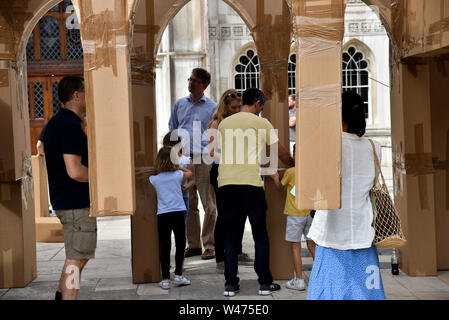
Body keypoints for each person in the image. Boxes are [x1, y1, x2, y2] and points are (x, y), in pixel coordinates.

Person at [306, 90, 386, 300]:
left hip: (331, 229)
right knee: (365, 293)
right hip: (363, 230)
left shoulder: (327, 146)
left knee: (330, 291)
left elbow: (314, 183)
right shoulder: (374, 147)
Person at [217, 88, 293, 297]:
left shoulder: (225, 124)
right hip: (251, 183)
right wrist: (293, 165)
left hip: (226, 184)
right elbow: (280, 152)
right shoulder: (262, 123)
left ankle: (230, 284)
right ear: (258, 104)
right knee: (260, 234)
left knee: (231, 235)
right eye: (262, 106)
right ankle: (264, 284)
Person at [39, 76, 95, 300]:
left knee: (76, 256)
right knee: (76, 259)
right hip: (75, 204)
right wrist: (103, 180)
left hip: (66, 201)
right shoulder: (70, 126)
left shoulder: (55, 122)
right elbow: (75, 170)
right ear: (76, 95)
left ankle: (61, 296)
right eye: (86, 91)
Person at [169, 68, 218, 260]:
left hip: (204, 158)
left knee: (209, 204)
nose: (190, 83)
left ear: (205, 85)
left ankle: (210, 245)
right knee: (188, 204)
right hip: (184, 159)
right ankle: (194, 244)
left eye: (195, 81)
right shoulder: (179, 104)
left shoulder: (213, 107)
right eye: (189, 79)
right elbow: (172, 129)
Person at [208, 89, 251, 273]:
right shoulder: (216, 124)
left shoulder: (241, 122)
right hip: (221, 171)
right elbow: (212, 152)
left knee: (241, 212)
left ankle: (238, 252)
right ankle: (220, 257)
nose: (237, 110)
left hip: (239, 170)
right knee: (224, 215)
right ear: (225, 106)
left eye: (239, 107)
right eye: (233, 107)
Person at [272, 144, 316, 291]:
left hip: (295, 215)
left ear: (295, 155)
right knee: (312, 245)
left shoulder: (290, 172)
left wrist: (275, 177)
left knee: (295, 247)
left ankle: (299, 280)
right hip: (310, 213)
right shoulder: (312, 172)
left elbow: (279, 188)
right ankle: (318, 278)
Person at [149, 146, 193, 289]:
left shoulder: (154, 179)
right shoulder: (178, 175)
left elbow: (155, 188)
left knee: (164, 246)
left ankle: (166, 279)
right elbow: (190, 173)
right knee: (180, 244)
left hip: (163, 214)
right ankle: (179, 275)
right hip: (179, 212)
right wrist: (179, 167)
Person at [163, 131, 195, 230]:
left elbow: (193, 179)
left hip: (183, 198)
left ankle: (182, 243)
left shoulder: (186, 160)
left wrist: (185, 187)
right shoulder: (164, 160)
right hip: (167, 198)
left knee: (181, 225)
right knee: (167, 225)